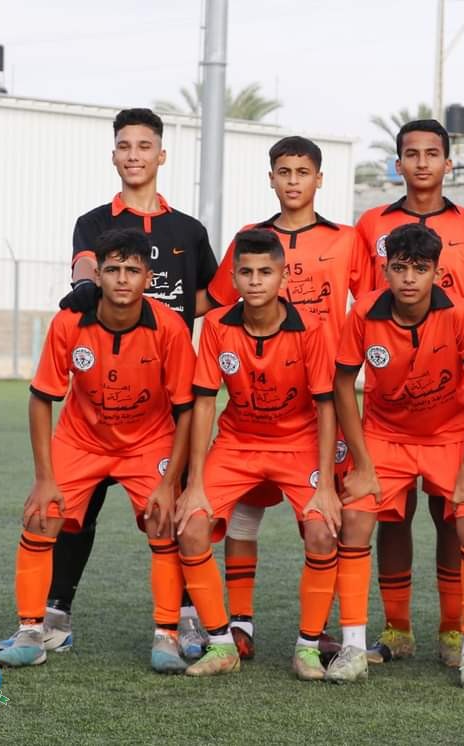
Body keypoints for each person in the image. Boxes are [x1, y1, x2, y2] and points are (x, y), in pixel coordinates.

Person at [0, 108, 220, 660]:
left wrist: (165, 325)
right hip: (96, 398)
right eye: (124, 146)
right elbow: (83, 271)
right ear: (114, 155)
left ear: (161, 155)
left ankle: (182, 623)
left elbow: (212, 297)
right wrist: (91, 295)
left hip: (160, 398)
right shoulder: (94, 223)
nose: (134, 155)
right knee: (71, 514)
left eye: (144, 145)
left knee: (171, 516)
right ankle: (50, 617)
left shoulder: (188, 230)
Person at [203, 136, 369, 659]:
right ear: (270, 178)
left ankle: (318, 629)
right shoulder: (250, 241)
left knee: (321, 517)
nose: (293, 181)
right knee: (244, 512)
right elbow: (214, 302)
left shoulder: (346, 240)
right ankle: (240, 622)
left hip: (321, 399)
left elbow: (372, 304)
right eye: (283, 171)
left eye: (302, 172)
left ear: (319, 179)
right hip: (256, 398)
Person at [329, 222, 464, 688]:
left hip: (450, 434)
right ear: (385, 270)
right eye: (399, 268)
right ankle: (354, 647)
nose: (408, 278)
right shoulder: (364, 312)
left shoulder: (459, 314)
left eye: (420, 269)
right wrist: (363, 464)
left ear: (437, 274)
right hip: (386, 436)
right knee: (356, 517)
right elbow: (343, 385)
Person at [354, 119, 464, 667]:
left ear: (448, 162)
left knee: (454, 515)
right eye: (410, 154)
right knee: (391, 517)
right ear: (398, 163)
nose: (421, 163)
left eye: (432, 153)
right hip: (388, 403)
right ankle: (396, 629)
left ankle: (455, 631)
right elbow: (364, 298)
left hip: (449, 400)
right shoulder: (371, 224)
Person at [177, 229, 341, 680]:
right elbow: (205, 402)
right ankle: (222, 644)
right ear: (233, 278)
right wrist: (194, 483)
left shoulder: (311, 328)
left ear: (283, 277)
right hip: (237, 442)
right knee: (191, 527)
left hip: (298, 443)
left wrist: (327, 485)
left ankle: (308, 648)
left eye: (265, 272)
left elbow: (327, 405)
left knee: (323, 531)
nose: (255, 281)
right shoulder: (216, 326)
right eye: (246, 272)